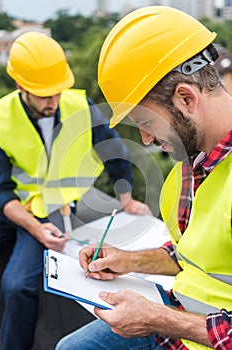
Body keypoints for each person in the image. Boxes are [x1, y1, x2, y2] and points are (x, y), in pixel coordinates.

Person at [55, 6, 232, 350]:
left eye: (147, 124)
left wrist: (157, 319)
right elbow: (193, 255)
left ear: (186, 98)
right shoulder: (190, 164)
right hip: (179, 318)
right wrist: (128, 260)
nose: (147, 140)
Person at [0, 31, 152, 350]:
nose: (53, 102)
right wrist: (36, 229)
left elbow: (113, 149)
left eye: (58, 91)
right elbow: (2, 193)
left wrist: (127, 198)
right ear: (20, 86)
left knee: (16, 285)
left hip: (62, 209)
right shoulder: (1, 118)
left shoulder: (78, 103)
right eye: (44, 95)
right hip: (23, 210)